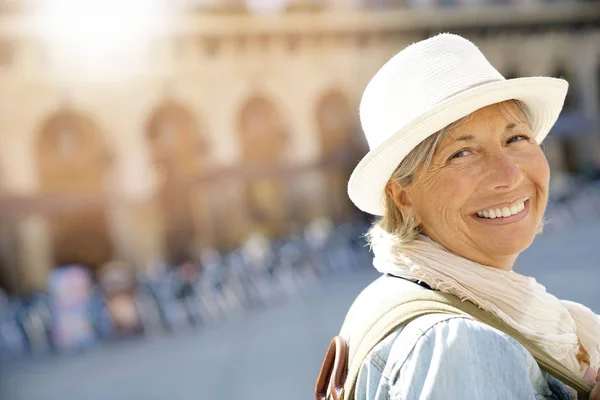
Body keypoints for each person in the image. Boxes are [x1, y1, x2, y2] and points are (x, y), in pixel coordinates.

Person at [335, 34, 600, 399]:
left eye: (516, 139)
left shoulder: (390, 297)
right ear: (402, 196)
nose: (509, 176)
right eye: (462, 153)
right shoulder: (461, 347)